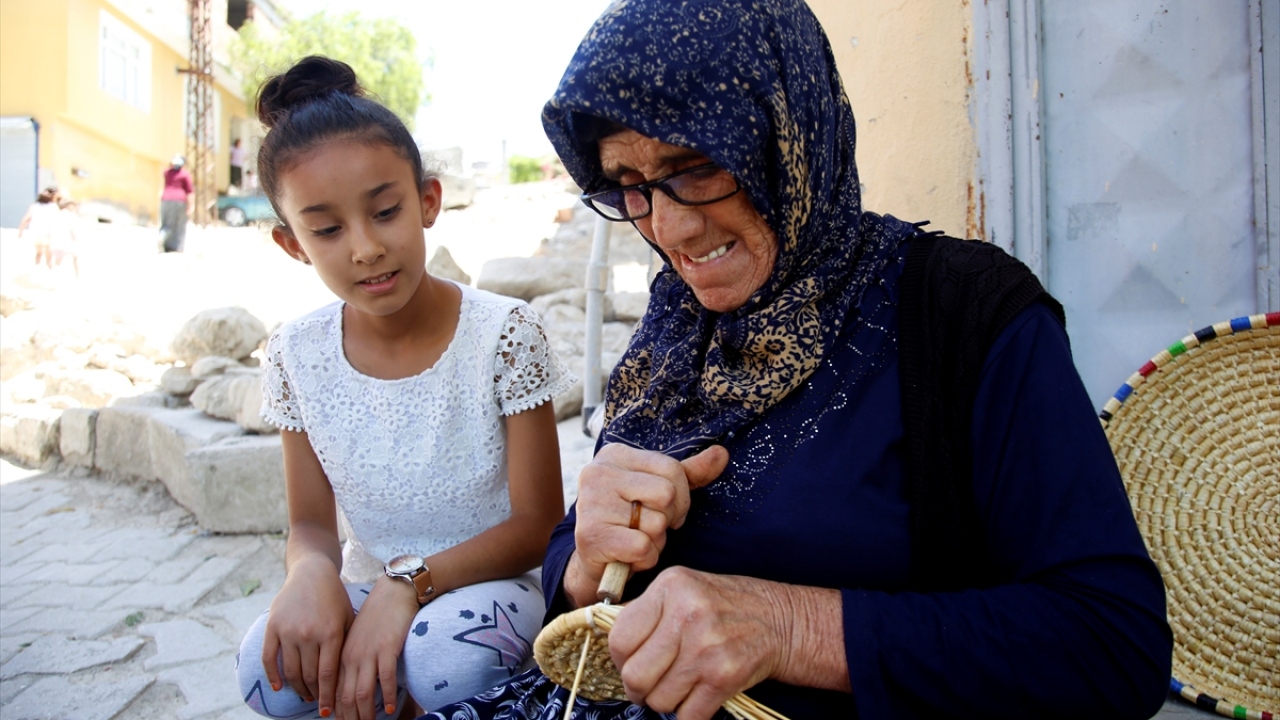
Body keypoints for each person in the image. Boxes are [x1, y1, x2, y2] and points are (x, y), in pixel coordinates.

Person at [423, 1, 1173, 719]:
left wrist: (790, 629)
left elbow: (1112, 644)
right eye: (631, 187)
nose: (673, 228)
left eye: (697, 166)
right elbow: (575, 563)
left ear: (786, 135)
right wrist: (587, 558)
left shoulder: (963, 311)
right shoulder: (675, 323)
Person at [235, 56, 575, 720]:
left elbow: (538, 526)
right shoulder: (295, 354)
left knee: (445, 661)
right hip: (380, 587)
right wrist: (309, 577)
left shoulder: (504, 334)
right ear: (291, 244)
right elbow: (308, 521)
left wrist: (407, 586)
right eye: (327, 229)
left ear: (427, 201)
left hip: (490, 588)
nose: (364, 248)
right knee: (269, 673)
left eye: (385, 211)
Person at [16, 187, 60, 269]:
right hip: (48, 231)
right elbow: (57, 220)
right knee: (48, 251)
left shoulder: (35, 206)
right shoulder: (53, 206)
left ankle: (37, 267)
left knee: (38, 252)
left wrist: (20, 230)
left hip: (35, 231)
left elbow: (27, 219)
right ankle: (49, 267)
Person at [159, 154, 193, 253]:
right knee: (180, 224)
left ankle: (163, 239)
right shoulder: (185, 174)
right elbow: (189, 191)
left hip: (165, 200)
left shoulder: (166, 173)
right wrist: (191, 205)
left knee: (166, 223)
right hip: (179, 201)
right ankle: (177, 247)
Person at [51, 197, 82, 278]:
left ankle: (56, 275)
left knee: (61, 259)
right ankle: (76, 275)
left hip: (61, 240)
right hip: (66, 240)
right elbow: (71, 228)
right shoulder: (67, 214)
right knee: (71, 258)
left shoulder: (63, 213)